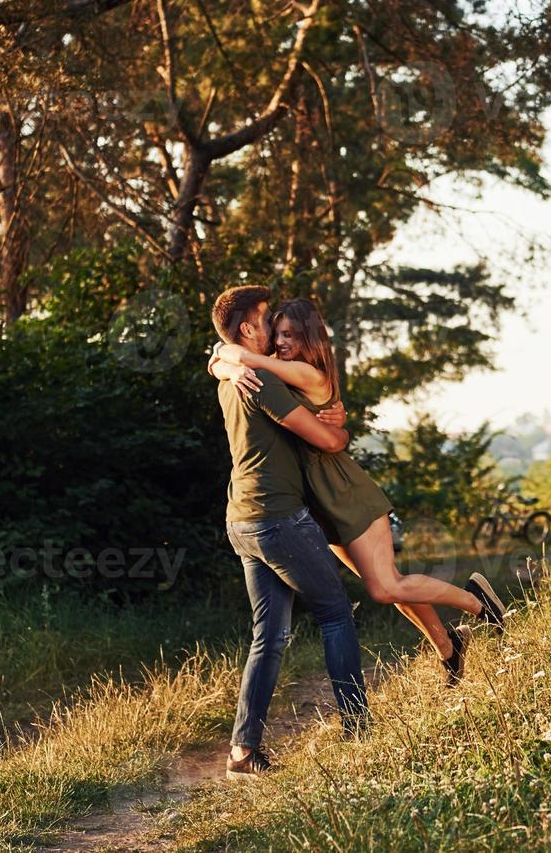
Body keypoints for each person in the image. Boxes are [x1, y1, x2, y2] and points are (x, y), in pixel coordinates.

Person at [208, 297, 507, 686]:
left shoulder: (309, 373)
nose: (280, 342)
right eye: (276, 332)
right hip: (319, 502)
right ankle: (449, 648)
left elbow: (256, 364)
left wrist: (226, 361)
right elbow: (243, 363)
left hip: (345, 492)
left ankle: (476, 601)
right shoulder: (279, 373)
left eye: (289, 334)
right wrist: (223, 365)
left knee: (386, 587)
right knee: (387, 584)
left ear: (308, 337)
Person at [209, 285, 369, 779]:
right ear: (246, 331)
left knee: (269, 636)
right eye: (264, 320)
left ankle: (243, 751)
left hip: (242, 519)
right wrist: (340, 427)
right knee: (336, 612)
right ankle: (359, 731)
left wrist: (226, 363)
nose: (273, 329)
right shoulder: (260, 381)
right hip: (278, 518)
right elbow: (325, 440)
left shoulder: (229, 379)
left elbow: (218, 360)